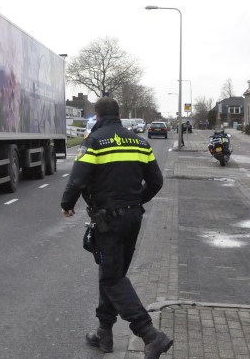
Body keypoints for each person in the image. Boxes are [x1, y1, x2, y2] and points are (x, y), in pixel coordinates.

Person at [60, 97, 173, 358]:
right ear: (119, 115)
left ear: (97, 116)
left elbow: (78, 178)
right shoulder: (139, 142)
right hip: (133, 218)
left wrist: (67, 204)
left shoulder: (94, 142)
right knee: (113, 274)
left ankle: (150, 334)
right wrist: (135, 201)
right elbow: (156, 181)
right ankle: (104, 333)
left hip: (108, 220)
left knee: (112, 278)